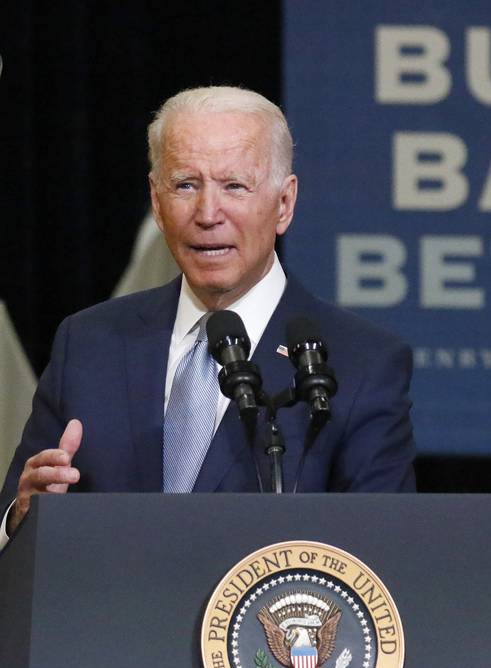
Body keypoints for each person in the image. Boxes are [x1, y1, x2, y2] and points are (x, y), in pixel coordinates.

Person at [0, 86, 415, 549]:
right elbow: (15, 516)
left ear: (284, 203)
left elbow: (383, 556)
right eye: (186, 185)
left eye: (234, 185)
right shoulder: (89, 342)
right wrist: (23, 516)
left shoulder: (362, 363)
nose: (207, 213)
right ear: (157, 203)